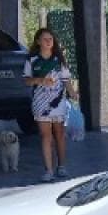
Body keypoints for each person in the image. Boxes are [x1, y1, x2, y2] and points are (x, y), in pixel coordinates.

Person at [22, 28, 75, 182]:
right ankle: (49, 170)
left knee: (59, 134)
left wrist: (73, 92)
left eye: (50, 39)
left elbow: (66, 79)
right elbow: (26, 80)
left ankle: (62, 166)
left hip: (58, 102)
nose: (48, 41)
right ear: (38, 41)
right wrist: (40, 80)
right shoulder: (32, 60)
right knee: (46, 136)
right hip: (40, 103)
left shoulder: (59, 59)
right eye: (45, 39)